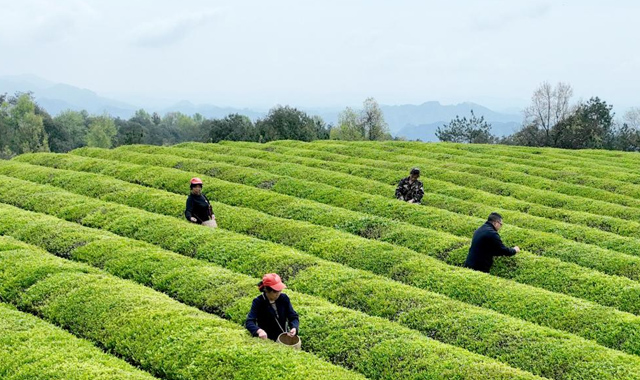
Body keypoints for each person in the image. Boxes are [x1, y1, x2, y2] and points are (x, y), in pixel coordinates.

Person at [245, 273, 299, 341]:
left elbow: (293, 317)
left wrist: (294, 327)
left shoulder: (284, 298)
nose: (278, 293)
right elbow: (249, 322)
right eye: (275, 291)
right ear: (266, 290)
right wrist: (259, 331)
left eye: (279, 290)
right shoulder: (258, 302)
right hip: (266, 339)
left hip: (283, 338)